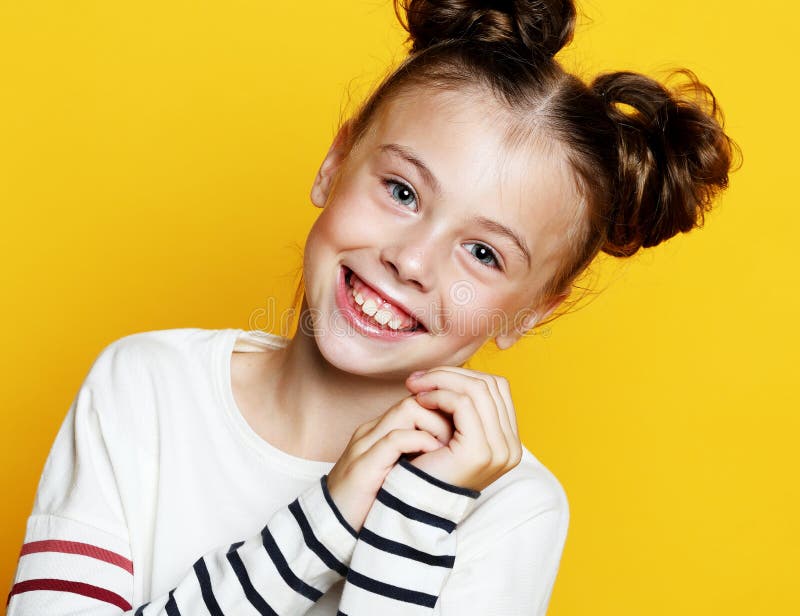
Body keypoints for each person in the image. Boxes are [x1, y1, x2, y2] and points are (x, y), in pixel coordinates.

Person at [6, 0, 739, 614]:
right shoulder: (146, 388)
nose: (412, 261)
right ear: (336, 160)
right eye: (402, 192)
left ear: (530, 312)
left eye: (483, 253)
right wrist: (323, 523)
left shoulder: (513, 512)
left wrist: (411, 513)